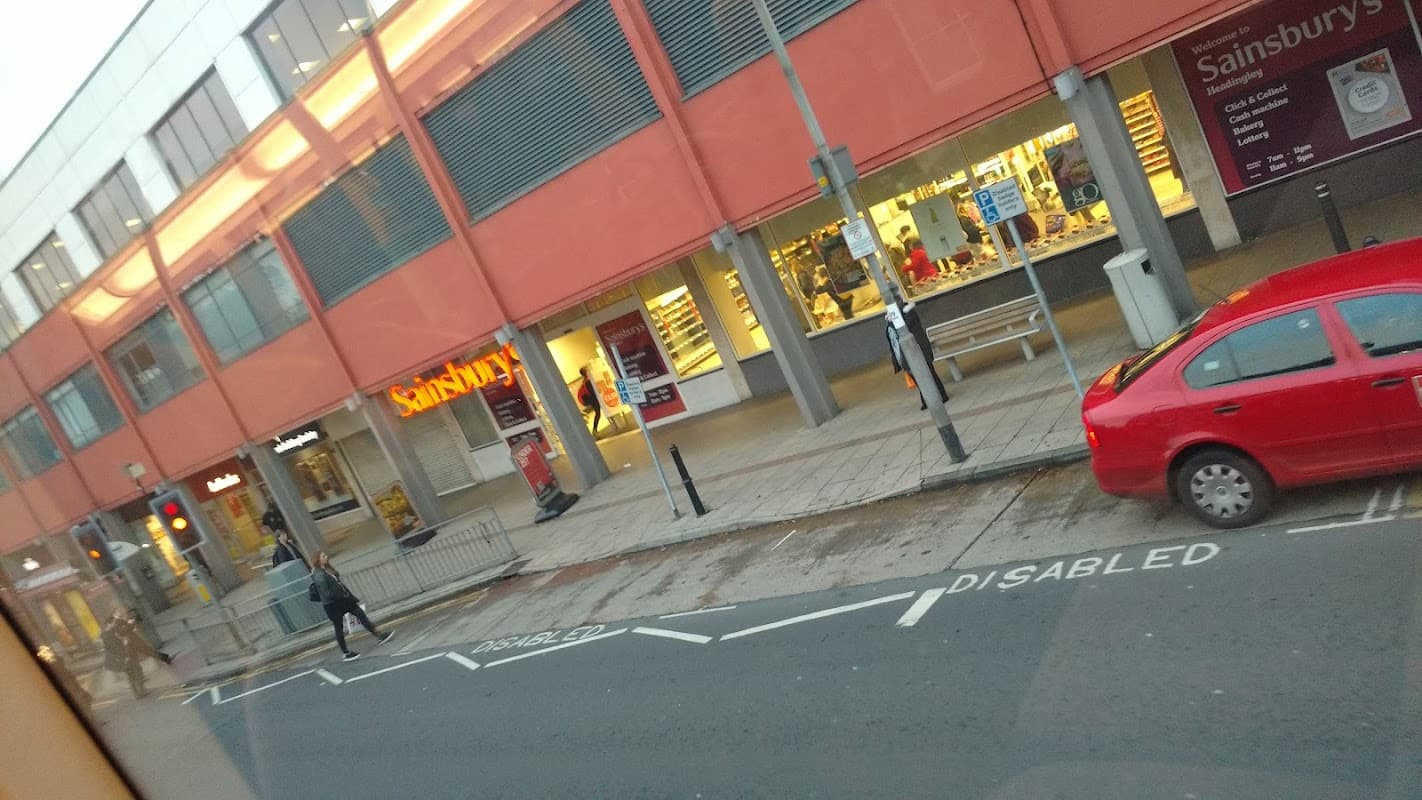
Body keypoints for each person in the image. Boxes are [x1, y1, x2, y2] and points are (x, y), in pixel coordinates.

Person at [310, 551, 393, 661]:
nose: (326, 557)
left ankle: (379, 635)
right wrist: (340, 594)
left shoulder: (326, 569)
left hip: (344, 600)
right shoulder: (319, 574)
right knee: (339, 628)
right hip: (333, 605)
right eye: (323, 556)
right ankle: (346, 653)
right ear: (318, 559)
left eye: (325, 555)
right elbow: (327, 593)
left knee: (360, 614)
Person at [886, 300, 949, 411]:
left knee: (929, 372)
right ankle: (926, 398)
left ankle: (941, 395)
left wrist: (894, 320)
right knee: (916, 376)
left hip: (919, 348)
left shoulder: (908, 311)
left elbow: (905, 329)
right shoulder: (893, 315)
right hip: (906, 352)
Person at [101, 612, 147, 698]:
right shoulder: (111, 633)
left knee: (131, 674)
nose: (116, 623)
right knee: (137, 671)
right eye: (114, 622)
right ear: (110, 623)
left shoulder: (104, 634)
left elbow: (108, 648)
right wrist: (125, 648)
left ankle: (137, 693)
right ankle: (141, 691)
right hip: (126, 656)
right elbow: (116, 647)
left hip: (121, 657)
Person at [576, 366, 603, 435]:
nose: (589, 370)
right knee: (598, 413)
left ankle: (594, 430)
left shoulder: (586, 379)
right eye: (587, 370)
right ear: (585, 372)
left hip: (587, 398)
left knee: (598, 412)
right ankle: (594, 430)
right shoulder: (587, 380)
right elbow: (591, 391)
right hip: (587, 399)